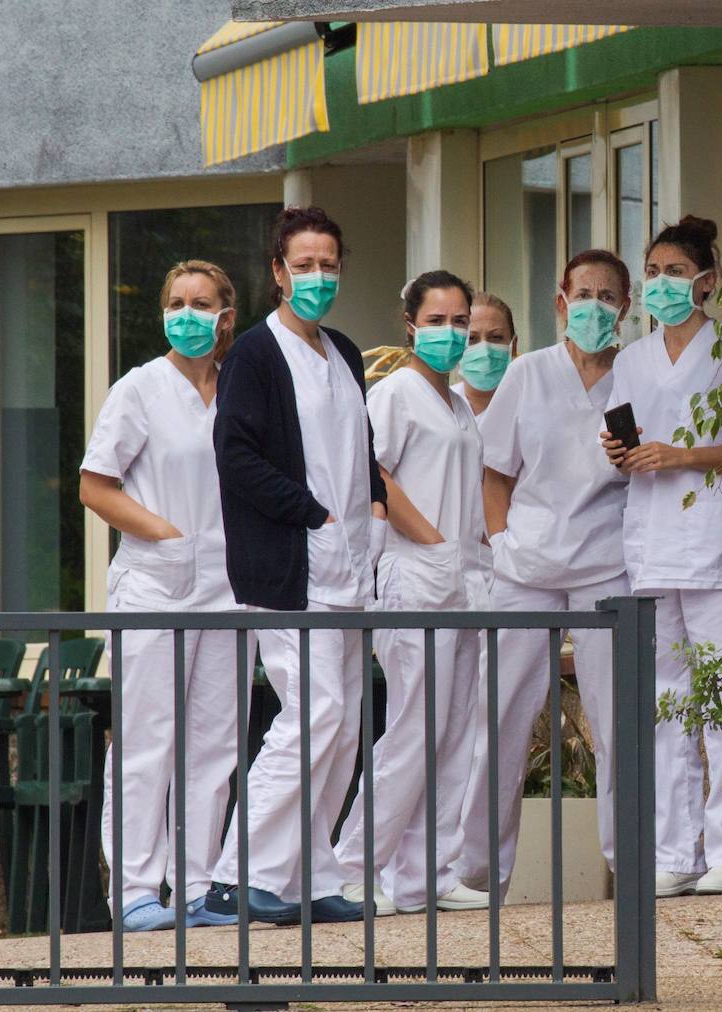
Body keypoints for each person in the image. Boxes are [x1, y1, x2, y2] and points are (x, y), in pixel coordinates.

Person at [204, 206, 388, 925]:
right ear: (277, 272)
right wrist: (307, 511)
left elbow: (359, 446)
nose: (317, 276)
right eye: (302, 265)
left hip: (346, 570)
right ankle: (231, 876)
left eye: (328, 264)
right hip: (288, 570)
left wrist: (369, 504)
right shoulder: (255, 352)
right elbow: (236, 455)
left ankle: (306, 879)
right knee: (316, 715)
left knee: (342, 729)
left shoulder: (342, 351)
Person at [601, 215, 722, 898]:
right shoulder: (632, 360)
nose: (660, 284)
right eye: (652, 273)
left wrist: (683, 456)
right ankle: (675, 852)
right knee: (669, 701)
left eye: (674, 273)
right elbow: (623, 443)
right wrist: (620, 451)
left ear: (706, 282)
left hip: (719, 545)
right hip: (653, 543)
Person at [456, 251, 632, 900]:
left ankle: (629, 864)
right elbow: (494, 474)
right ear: (560, 301)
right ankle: (479, 873)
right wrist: (501, 546)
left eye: (607, 296)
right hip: (525, 566)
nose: (593, 306)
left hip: (607, 567)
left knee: (618, 720)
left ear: (626, 307)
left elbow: (649, 470)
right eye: (582, 293)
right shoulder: (526, 375)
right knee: (501, 713)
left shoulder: (635, 378)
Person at [81, 260, 250, 932]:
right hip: (156, 580)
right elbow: (96, 485)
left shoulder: (239, 389)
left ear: (226, 315)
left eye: (201, 302)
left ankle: (198, 886)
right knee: (148, 739)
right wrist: (168, 535)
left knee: (215, 742)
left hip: (225, 586)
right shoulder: (139, 390)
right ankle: (134, 890)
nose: (187, 313)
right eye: (175, 302)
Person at [335, 271, 491, 915]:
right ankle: (352, 865)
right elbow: (374, 473)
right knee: (411, 729)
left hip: (458, 581)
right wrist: (430, 540)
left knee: (453, 729)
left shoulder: (455, 402)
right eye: (439, 322)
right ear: (410, 325)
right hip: (414, 577)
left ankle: (426, 872)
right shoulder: (395, 393)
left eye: (461, 323)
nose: (452, 334)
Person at [452, 291, 518, 418]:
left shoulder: (532, 407)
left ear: (513, 345)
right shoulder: (438, 407)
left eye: (496, 337)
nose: (485, 350)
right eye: (471, 338)